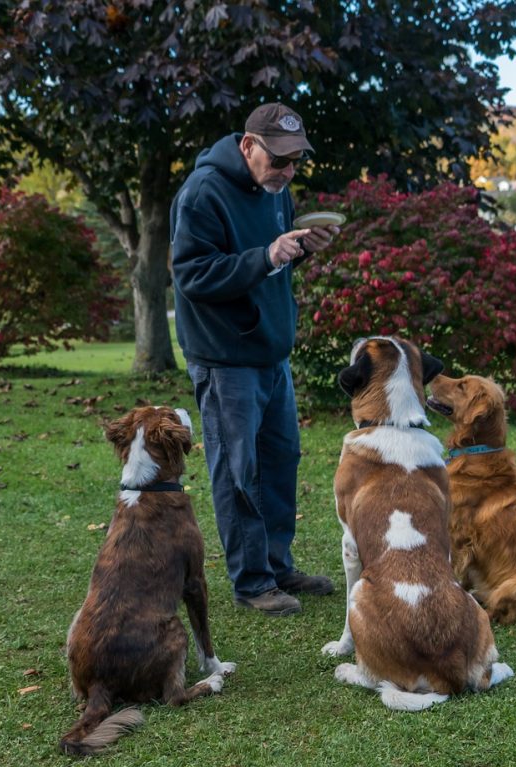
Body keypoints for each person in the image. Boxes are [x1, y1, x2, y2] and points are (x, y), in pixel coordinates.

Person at [169, 102, 340, 617]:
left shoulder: (276, 190)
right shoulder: (202, 193)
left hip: (271, 354)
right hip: (225, 359)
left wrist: (301, 247)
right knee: (238, 472)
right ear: (248, 146)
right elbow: (192, 275)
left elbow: (270, 261)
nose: (287, 172)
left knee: (279, 463)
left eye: (294, 161)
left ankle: (276, 565)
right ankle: (251, 582)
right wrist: (266, 255)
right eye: (279, 159)